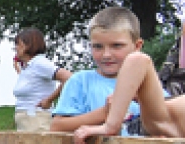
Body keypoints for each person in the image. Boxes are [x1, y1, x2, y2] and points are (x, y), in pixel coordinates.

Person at [50, 7, 147, 136]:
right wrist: (106, 113)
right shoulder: (80, 81)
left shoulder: (148, 85)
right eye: (98, 47)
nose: (106, 55)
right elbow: (57, 126)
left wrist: (146, 102)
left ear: (137, 46)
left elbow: (170, 122)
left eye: (116, 46)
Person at [12, 27, 72, 131]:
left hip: (37, 119)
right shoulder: (29, 66)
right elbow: (32, 83)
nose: (16, 48)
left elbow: (69, 78)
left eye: (18, 44)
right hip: (26, 120)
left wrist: (49, 100)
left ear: (28, 45)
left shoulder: (39, 63)